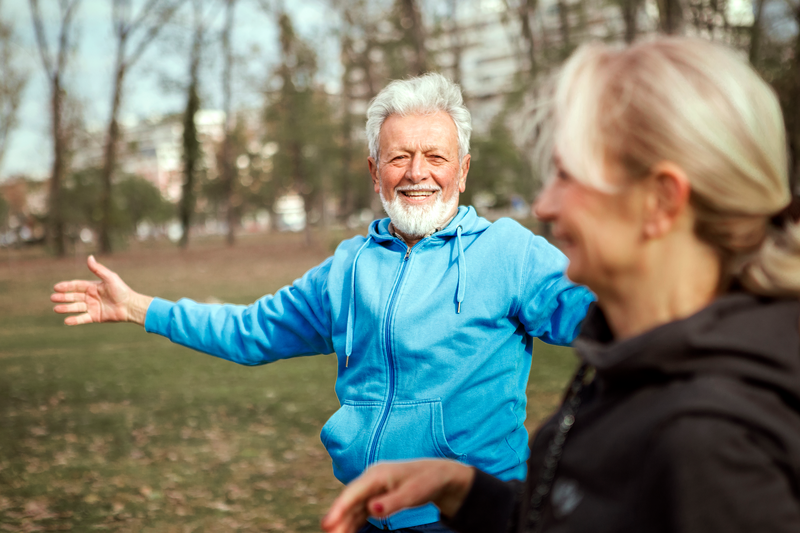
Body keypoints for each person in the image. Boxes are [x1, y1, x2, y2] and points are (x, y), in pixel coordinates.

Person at [51, 73, 594, 532]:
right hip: (364, 513)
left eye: (436, 156)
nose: (417, 173)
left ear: (464, 169)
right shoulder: (348, 266)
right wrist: (138, 307)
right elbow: (250, 331)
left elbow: (607, 316)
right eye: (399, 157)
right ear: (374, 170)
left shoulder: (509, 252)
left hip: (470, 516)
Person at [321, 37, 800, 533]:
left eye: (568, 175)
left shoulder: (713, 443)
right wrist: (465, 491)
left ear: (660, 202)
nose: (545, 206)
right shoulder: (640, 364)